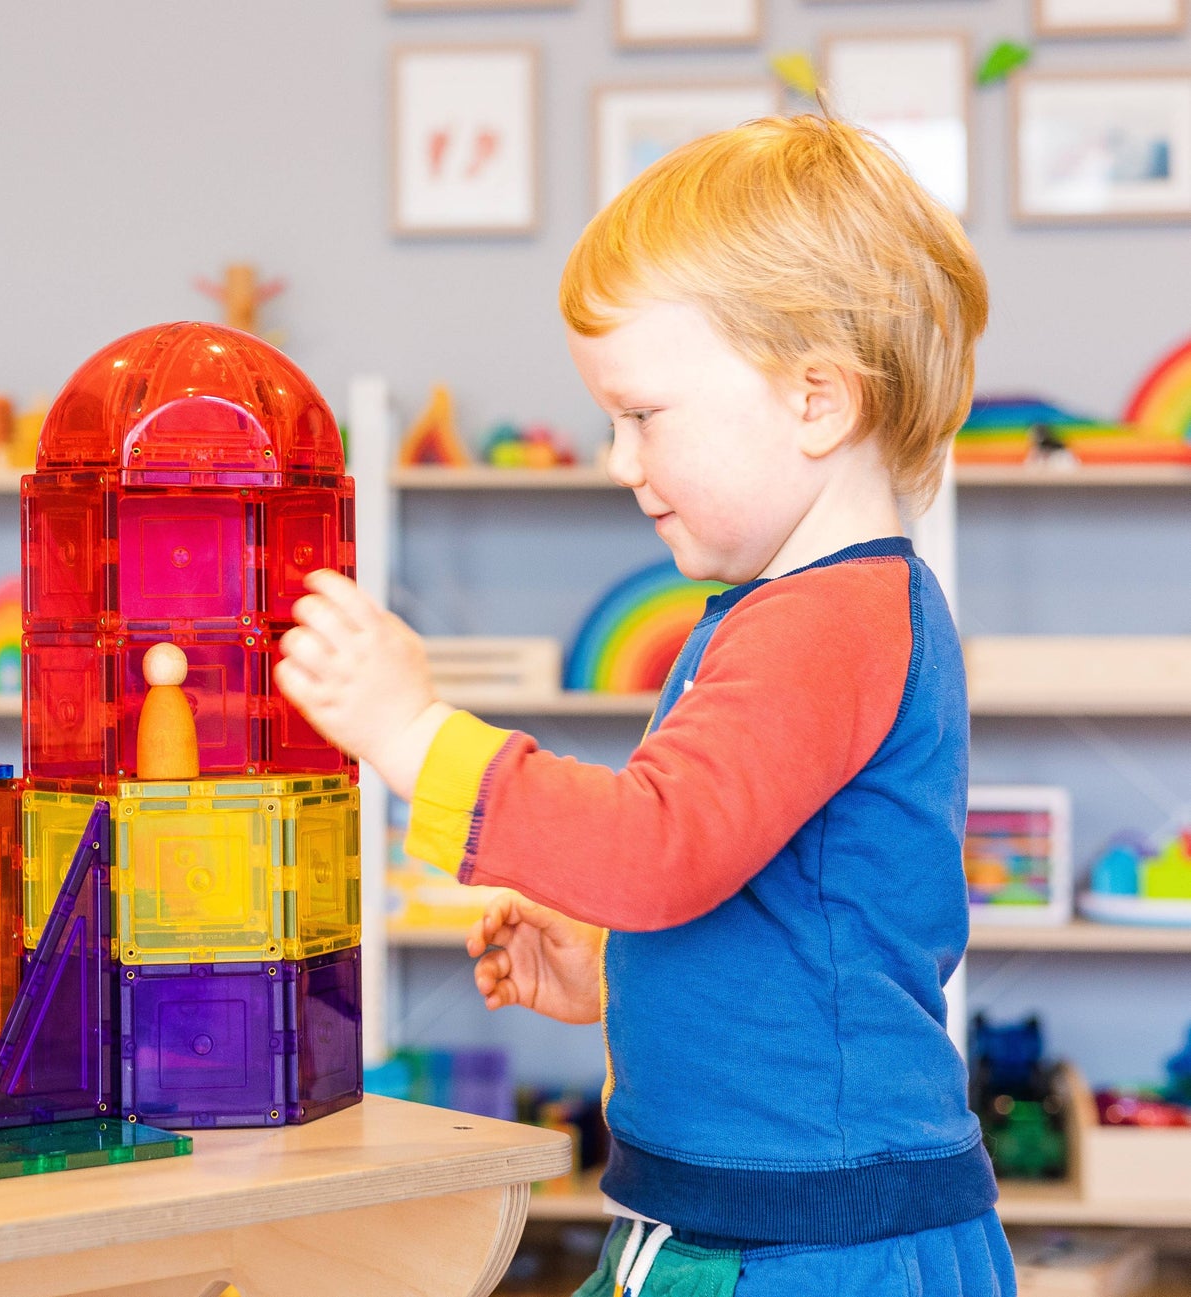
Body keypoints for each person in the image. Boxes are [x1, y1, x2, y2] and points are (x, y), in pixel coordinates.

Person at [276, 115, 1014, 1296]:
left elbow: (656, 843)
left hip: (809, 1242)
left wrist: (410, 733)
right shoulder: (808, 612)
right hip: (749, 1215)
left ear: (815, 401)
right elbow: (764, 896)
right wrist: (625, 967)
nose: (618, 459)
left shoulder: (824, 623)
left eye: (642, 415)